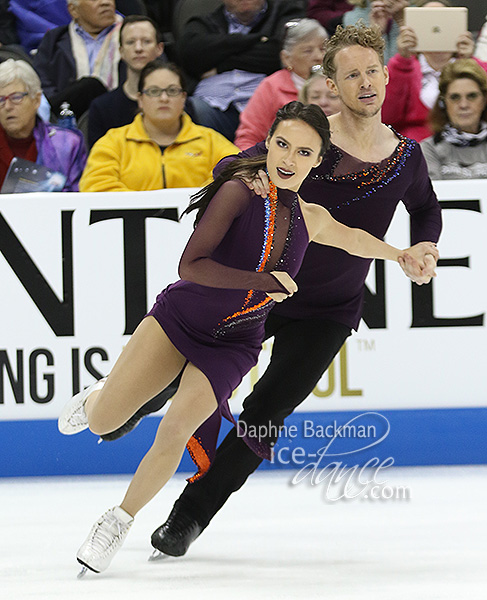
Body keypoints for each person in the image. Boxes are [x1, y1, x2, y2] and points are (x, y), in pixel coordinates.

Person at [102, 23, 442, 559]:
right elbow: (229, 167)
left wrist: (425, 247)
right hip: (261, 291)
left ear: (385, 73)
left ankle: (191, 514)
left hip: (329, 310)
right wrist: (251, 175)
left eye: (372, 70)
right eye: (350, 73)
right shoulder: (309, 141)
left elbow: (425, 209)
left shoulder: (406, 157)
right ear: (330, 80)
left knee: (267, 411)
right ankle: (144, 396)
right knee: (197, 367)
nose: (365, 82)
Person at [80, 60, 238, 191]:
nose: (164, 98)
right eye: (154, 91)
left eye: (172, 91)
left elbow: (238, 170)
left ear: (184, 98)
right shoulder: (114, 142)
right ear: (140, 99)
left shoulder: (209, 140)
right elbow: (95, 186)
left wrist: (193, 201)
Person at [178, 0, 305, 141]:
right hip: (211, 107)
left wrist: (220, 65)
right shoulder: (203, 22)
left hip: (267, 110)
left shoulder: (285, 14)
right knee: (185, 109)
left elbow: (278, 55)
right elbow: (189, 55)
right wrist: (253, 40)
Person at [382, 0, 487, 142]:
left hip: (470, 148)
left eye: (444, 21)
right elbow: (386, 116)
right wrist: (403, 61)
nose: (436, 28)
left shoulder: (474, 65)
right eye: (427, 22)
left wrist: (469, 62)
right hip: (415, 151)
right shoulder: (402, 67)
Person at [234, 18, 328, 150]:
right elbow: (248, 138)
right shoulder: (271, 86)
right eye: (308, 51)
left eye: (323, 48)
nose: (319, 56)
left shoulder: (338, 82)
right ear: (286, 58)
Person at [0, 59, 87, 191]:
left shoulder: (67, 144)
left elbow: (77, 197)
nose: (7, 107)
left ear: (37, 100)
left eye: (16, 97)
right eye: (0, 100)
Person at [33, 0, 122, 119]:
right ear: (74, 10)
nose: (105, 2)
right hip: (67, 117)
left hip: (120, 113)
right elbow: (41, 83)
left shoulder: (133, 36)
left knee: (91, 86)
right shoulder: (54, 40)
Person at [87, 14, 165, 148]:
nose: (138, 48)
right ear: (121, 51)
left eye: (146, 41)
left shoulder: (175, 102)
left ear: (159, 49)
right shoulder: (102, 108)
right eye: (130, 42)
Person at [420, 58, 487, 179]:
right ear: (443, 103)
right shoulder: (428, 149)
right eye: (455, 97)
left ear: (484, 100)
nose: (463, 105)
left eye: (472, 96)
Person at [343, 0, 408, 64]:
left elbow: (410, 65)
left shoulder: (413, 10)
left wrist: (401, 22)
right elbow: (377, 69)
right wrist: (377, 35)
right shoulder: (356, 18)